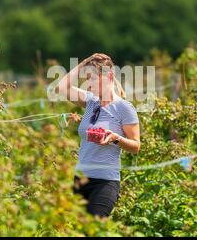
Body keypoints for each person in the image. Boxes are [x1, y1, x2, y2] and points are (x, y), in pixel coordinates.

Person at [57, 53, 141, 218]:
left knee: (94, 231)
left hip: (105, 182)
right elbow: (61, 87)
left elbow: (136, 146)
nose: (88, 84)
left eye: (92, 79)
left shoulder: (124, 108)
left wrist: (115, 138)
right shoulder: (91, 101)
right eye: (86, 79)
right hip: (80, 179)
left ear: (108, 76)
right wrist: (83, 63)